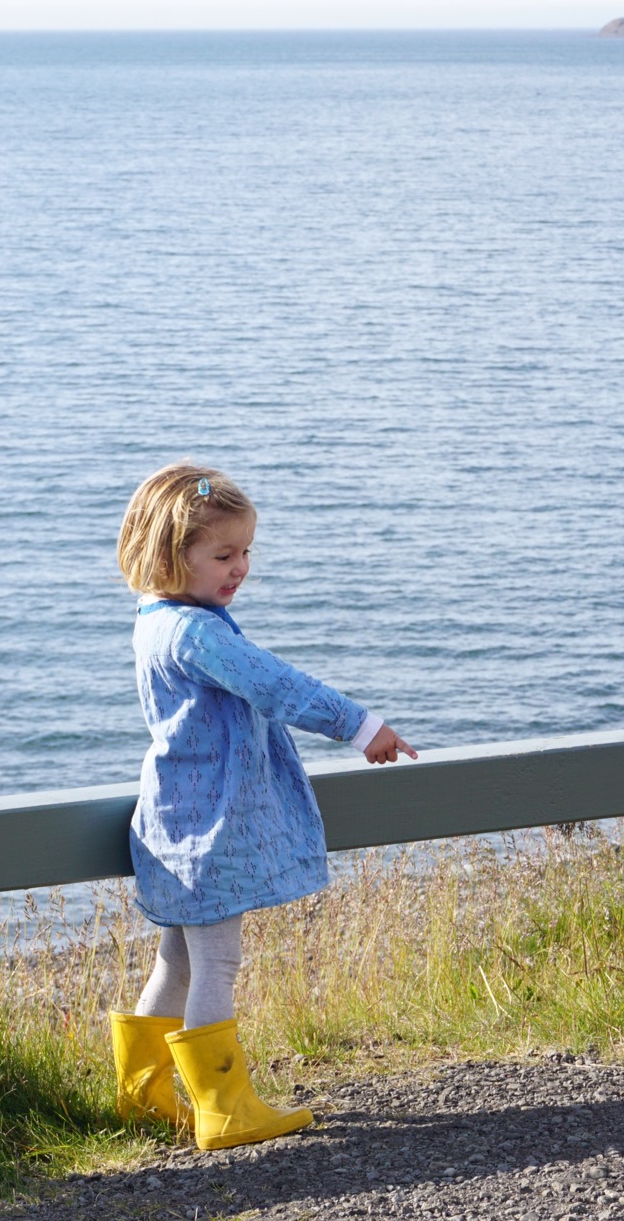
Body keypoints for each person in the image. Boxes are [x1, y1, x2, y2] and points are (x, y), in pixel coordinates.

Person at [110, 462, 416, 1151]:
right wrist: (360, 725)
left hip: (176, 822)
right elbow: (276, 685)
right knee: (215, 964)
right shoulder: (198, 633)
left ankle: (142, 1095)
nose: (240, 568)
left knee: (178, 963)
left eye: (246, 551)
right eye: (223, 555)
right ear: (170, 553)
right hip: (209, 829)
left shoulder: (159, 619)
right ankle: (225, 1108)